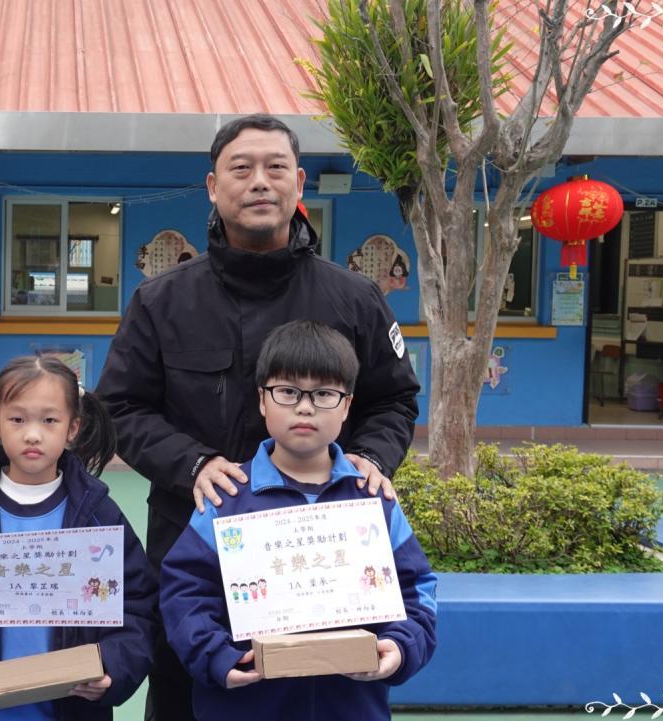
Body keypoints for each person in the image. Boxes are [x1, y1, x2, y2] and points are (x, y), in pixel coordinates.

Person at [96, 113, 420, 721]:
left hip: (324, 554)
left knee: (323, 699)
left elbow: (394, 400)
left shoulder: (354, 298)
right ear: (212, 186)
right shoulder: (160, 300)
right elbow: (120, 406)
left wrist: (369, 459)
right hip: (196, 548)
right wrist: (192, 464)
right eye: (241, 169)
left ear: (299, 183)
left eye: (276, 168)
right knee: (186, 694)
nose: (260, 182)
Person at [160, 320, 437, 721]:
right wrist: (217, 656)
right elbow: (184, 594)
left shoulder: (374, 499)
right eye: (288, 392)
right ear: (262, 400)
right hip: (244, 709)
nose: (305, 407)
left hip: (352, 709)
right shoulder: (226, 498)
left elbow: (417, 590)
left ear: (347, 405)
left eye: (324, 394)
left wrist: (400, 646)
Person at [0, 355, 156, 721]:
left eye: (49, 420)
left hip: (72, 708)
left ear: (73, 428)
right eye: (17, 419)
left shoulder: (99, 515)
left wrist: (113, 665)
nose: (32, 434)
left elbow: (137, 607)